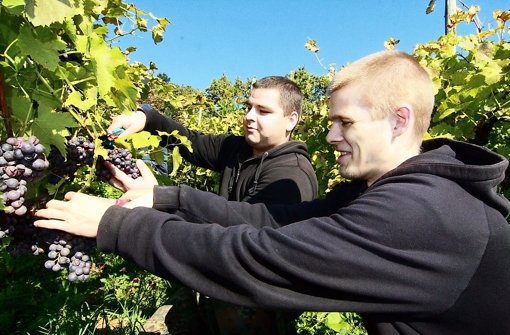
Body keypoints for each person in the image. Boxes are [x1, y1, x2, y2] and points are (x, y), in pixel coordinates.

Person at [34, 50, 510, 335]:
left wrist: (116, 225)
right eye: (331, 122)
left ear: (399, 119)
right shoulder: (386, 190)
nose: (331, 137)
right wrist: (163, 198)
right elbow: (277, 219)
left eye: (346, 122)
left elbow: (261, 255)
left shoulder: (421, 211)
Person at [108, 76, 319, 335]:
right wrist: (146, 119)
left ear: (291, 120)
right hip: (223, 267)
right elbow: (190, 142)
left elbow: (251, 232)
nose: (249, 116)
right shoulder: (238, 148)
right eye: (248, 107)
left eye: (263, 111)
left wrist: (161, 199)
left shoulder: (292, 176)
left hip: (262, 291)